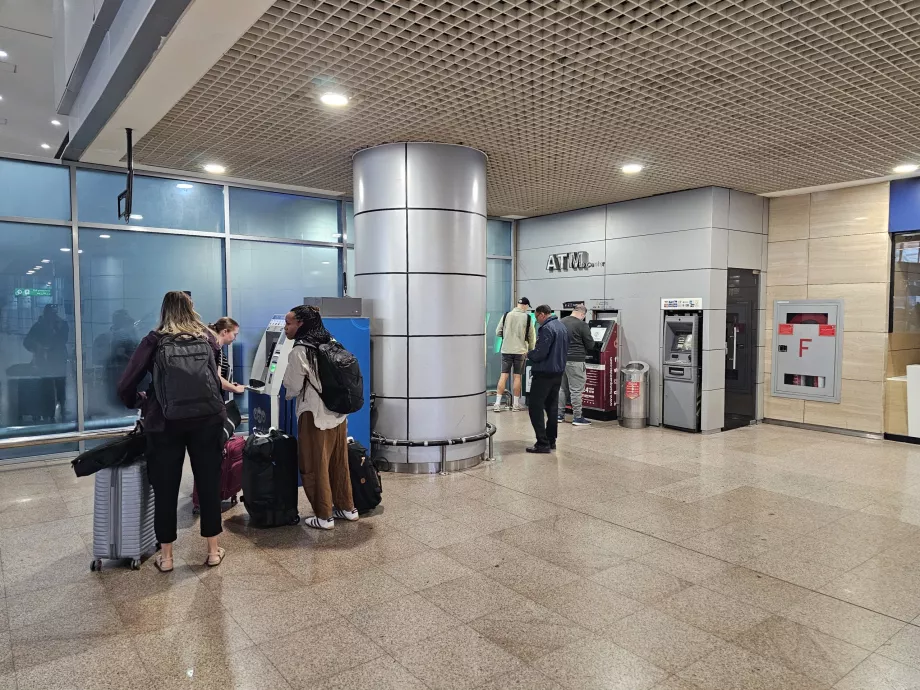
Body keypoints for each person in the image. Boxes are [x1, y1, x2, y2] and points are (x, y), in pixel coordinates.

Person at [117, 291, 227, 572]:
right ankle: (213, 551)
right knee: (209, 483)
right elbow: (215, 378)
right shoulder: (208, 339)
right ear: (192, 309)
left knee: (165, 487)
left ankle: (166, 558)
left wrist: (140, 401)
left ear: (163, 310)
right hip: (207, 420)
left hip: (165, 422)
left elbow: (126, 383)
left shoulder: (153, 341)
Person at [281, 304, 356, 530]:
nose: (285, 328)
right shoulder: (332, 342)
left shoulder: (300, 351)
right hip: (339, 414)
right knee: (338, 463)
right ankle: (347, 508)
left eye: (288, 323)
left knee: (315, 464)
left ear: (301, 324)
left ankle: (324, 516)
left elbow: (292, 387)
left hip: (314, 416)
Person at [525, 305, 569, 453]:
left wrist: (529, 354)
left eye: (537, 317)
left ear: (543, 314)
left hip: (544, 373)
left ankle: (542, 443)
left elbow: (541, 353)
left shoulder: (546, 329)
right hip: (558, 373)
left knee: (535, 407)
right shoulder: (561, 326)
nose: (537, 321)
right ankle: (551, 441)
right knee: (552, 407)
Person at [23, 304, 69, 421]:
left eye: (54, 313)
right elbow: (27, 342)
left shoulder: (62, 325)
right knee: (45, 387)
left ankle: (62, 410)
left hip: (58, 361)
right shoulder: (39, 326)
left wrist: (55, 332)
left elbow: (63, 339)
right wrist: (38, 347)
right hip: (44, 362)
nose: (52, 316)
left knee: (60, 387)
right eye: (49, 313)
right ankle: (48, 412)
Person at [494, 297, 536, 412]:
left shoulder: (507, 315)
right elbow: (532, 337)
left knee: (504, 375)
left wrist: (507, 336)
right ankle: (516, 404)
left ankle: (497, 404)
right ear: (526, 306)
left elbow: (498, 332)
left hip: (506, 350)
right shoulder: (527, 318)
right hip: (520, 351)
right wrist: (531, 350)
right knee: (517, 376)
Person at [558, 304, 596, 426]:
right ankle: (577, 417)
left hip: (561, 359)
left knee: (562, 388)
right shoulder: (582, 325)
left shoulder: (560, 322)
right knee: (576, 389)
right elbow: (590, 345)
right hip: (576, 360)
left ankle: (559, 415)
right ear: (582, 314)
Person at [209, 317, 246, 395]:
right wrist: (236, 389)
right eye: (234, 334)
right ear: (225, 331)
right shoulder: (213, 348)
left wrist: (229, 385)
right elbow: (216, 378)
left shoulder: (216, 348)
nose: (235, 339)